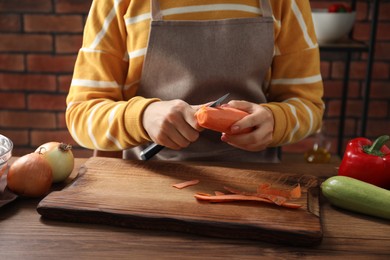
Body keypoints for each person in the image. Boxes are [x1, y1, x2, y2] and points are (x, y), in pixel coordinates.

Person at [66, 0, 324, 162]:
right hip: (147, 179)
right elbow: (81, 114)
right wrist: (144, 116)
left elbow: (309, 105)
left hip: (255, 180)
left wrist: (276, 121)